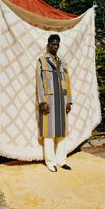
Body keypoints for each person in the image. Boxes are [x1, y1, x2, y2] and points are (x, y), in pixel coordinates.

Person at [36, 34, 73, 172]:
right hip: (49, 102)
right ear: (48, 45)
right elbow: (39, 83)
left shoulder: (62, 62)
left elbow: (68, 82)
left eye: (57, 44)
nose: (55, 46)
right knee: (49, 132)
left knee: (62, 132)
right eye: (53, 44)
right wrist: (42, 101)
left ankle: (61, 160)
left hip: (62, 101)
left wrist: (69, 101)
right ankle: (50, 162)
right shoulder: (41, 61)